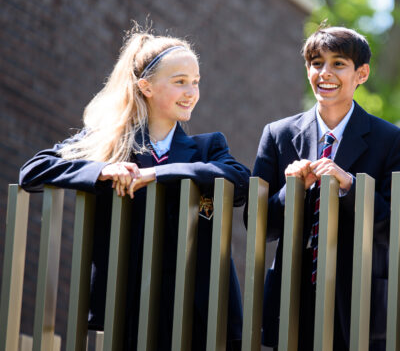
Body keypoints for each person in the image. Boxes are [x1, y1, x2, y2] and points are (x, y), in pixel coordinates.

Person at [19, 27, 250, 350]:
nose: (192, 92)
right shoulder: (108, 143)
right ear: (146, 87)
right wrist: (101, 170)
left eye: (196, 81)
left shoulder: (209, 146)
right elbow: (33, 170)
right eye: (180, 81)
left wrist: (157, 174)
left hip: (198, 313)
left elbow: (239, 180)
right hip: (122, 308)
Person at [250, 26, 400, 350]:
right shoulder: (277, 135)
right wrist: (289, 191)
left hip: (358, 304)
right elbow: (257, 226)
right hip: (290, 301)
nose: (325, 72)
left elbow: (397, 229)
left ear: (361, 73)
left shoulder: (391, 141)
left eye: (338, 63)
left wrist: (351, 187)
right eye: (316, 62)